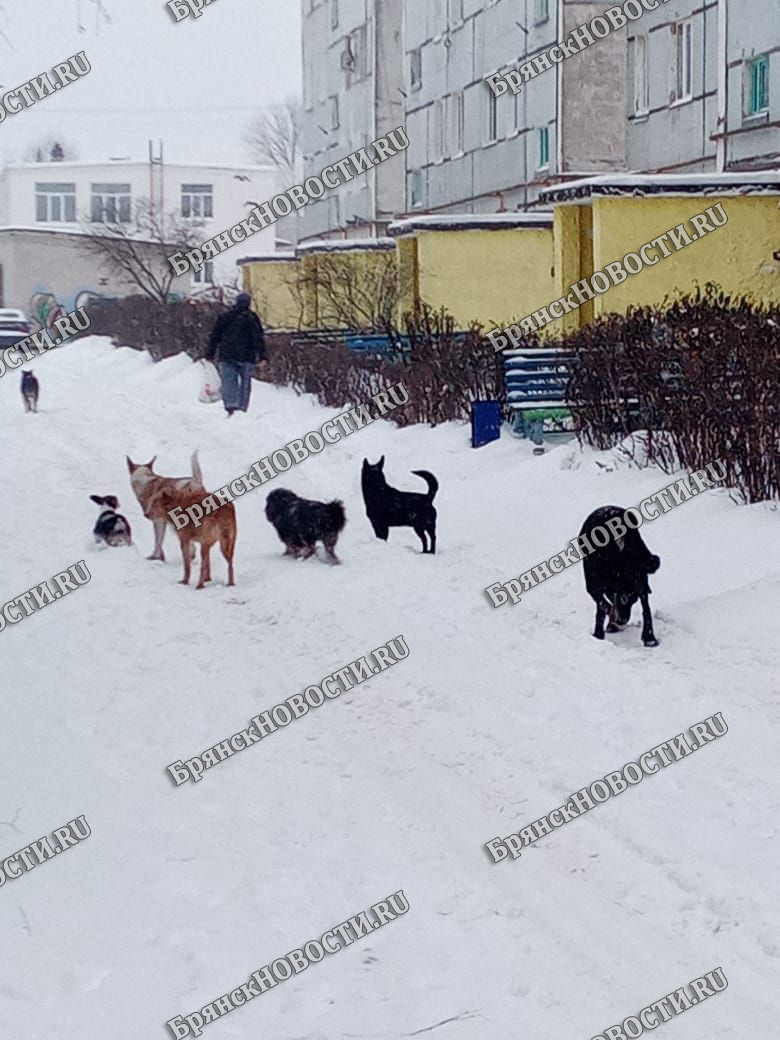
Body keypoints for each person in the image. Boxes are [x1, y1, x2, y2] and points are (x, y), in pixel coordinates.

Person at [206, 293, 266, 416]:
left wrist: (210, 353)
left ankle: (230, 406)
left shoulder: (225, 317)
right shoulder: (252, 318)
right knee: (245, 383)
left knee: (228, 381)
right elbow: (258, 338)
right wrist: (262, 356)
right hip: (247, 356)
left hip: (227, 355)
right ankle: (242, 408)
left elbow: (215, 336)